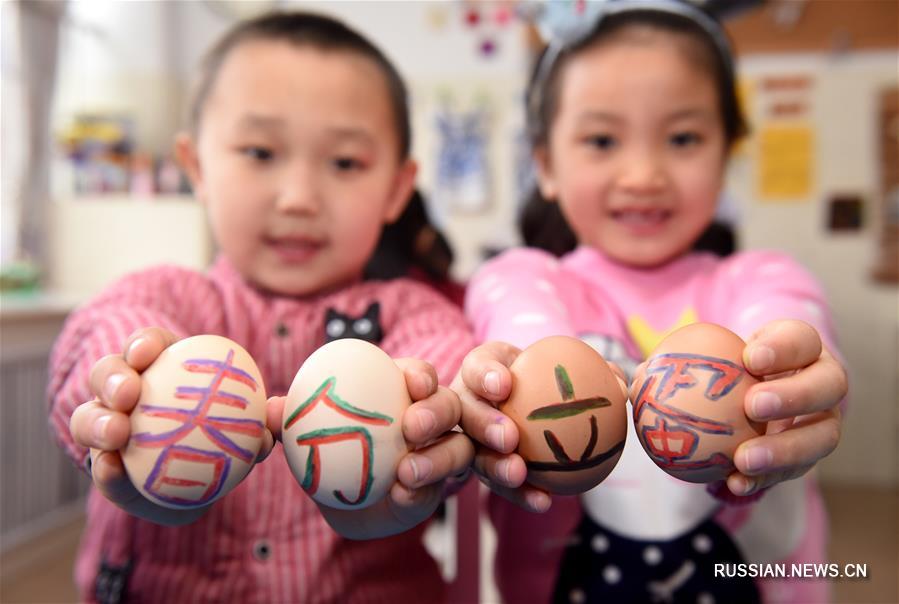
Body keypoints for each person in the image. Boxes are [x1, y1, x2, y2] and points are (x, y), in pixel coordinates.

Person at [51, 12, 476, 603]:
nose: (299, 197)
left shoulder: (411, 313)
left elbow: (447, 364)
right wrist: (129, 388)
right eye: (259, 152)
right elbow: (106, 331)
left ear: (397, 190)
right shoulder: (166, 297)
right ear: (196, 165)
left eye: (345, 162)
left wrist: (431, 424)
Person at [453, 1, 847, 602]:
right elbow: (523, 333)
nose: (643, 174)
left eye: (683, 137)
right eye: (602, 139)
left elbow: (786, 325)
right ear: (546, 165)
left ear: (727, 155)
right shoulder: (525, 279)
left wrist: (789, 384)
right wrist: (524, 380)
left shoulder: (760, 278)